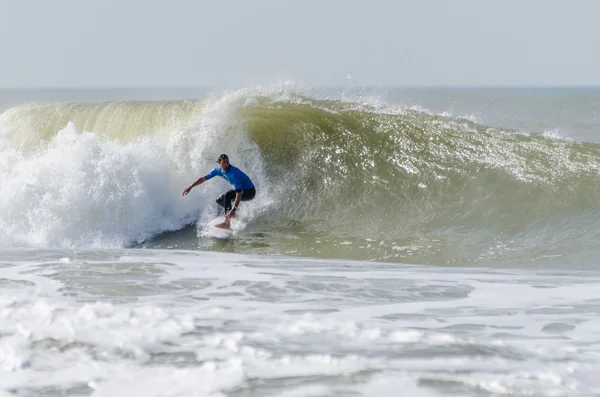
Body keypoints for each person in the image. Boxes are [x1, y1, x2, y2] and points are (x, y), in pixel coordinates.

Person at [182, 154, 256, 228]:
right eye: (224, 162)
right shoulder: (217, 170)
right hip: (242, 190)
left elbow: (238, 194)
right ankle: (232, 215)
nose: (226, 164)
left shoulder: (233, 173)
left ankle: (227, 222)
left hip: (249, 191)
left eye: (227, 162)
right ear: (219, 162)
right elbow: (203, 179)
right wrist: (190, 187)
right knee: (219, 200)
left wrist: (234, 209)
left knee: (227, 195)